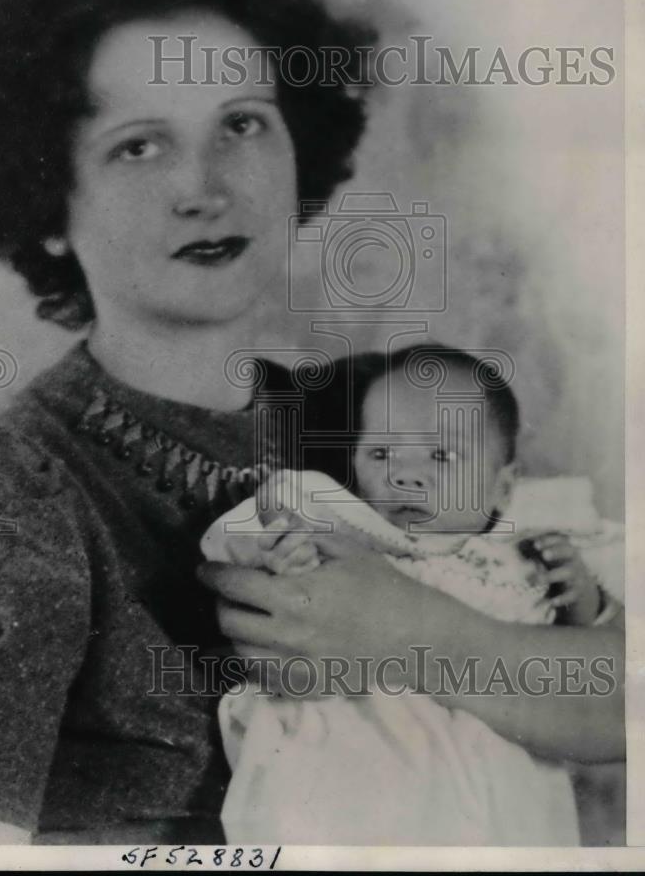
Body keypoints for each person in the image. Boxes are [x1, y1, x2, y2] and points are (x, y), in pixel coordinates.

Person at [0, 0, 373, 844]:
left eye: (241, 124)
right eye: (138, 147)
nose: (205, 187)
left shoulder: (379, 430)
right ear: (53, 208)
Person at [201, 345, 624, 844]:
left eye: (441, 455)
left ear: (502, 488)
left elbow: (586, 660)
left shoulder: (527, 550)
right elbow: (273, 594)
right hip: (365, 765)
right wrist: (287, 558)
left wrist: (581, 596)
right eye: (381, 454)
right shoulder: (349, 534)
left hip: (500, 775)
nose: (403, 474)